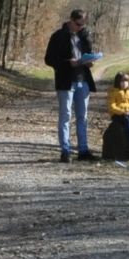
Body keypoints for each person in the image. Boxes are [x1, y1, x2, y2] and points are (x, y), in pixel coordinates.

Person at [43, 9, 99, 162]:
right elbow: (48, 59)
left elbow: (89, 54)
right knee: (65, 115)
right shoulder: (58, 36)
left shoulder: (85, 34)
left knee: (83, 117)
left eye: (83, 24)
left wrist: (90, 61)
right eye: (78, 23)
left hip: (83, 81)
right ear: (71, 20)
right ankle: (65, 151)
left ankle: (83, 150)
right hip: (66, 81)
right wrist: (68, 63)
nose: (80, 26)